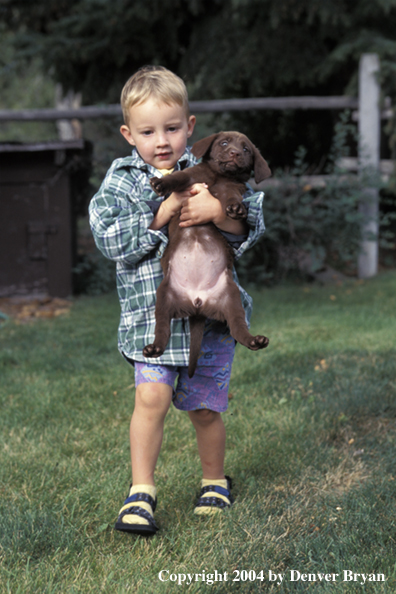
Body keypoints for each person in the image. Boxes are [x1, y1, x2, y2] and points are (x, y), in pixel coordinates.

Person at [89, 65, 266, 536]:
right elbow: (109, 240)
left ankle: (213, 481)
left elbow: (253, 222)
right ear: (129, 134)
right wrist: (159, 215)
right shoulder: (123, 180)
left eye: (171, 127)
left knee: (205, 406)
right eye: (148, 131)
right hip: (152, 319)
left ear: (190, 127)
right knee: (152, 396)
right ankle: (141, 492)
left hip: (211, 316)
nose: (161, 140)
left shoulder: (210, 168)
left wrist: (222, 216)